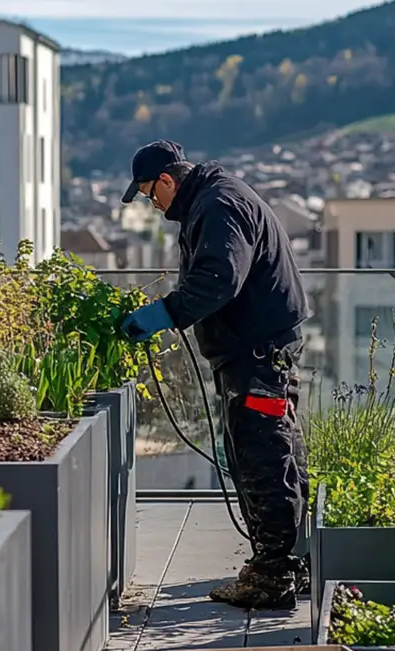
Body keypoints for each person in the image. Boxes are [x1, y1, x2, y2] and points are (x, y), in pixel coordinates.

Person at [119, 140, 310, 611]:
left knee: (262, 452)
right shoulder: (214, 198)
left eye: (149, 193)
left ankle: (273, 574)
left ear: (167, 179)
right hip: (257, 350)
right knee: (269, 447)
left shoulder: (220, 204)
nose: (152, 204)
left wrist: (163, 314)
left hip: (258, 354)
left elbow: (219, 279)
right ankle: (283, 562)